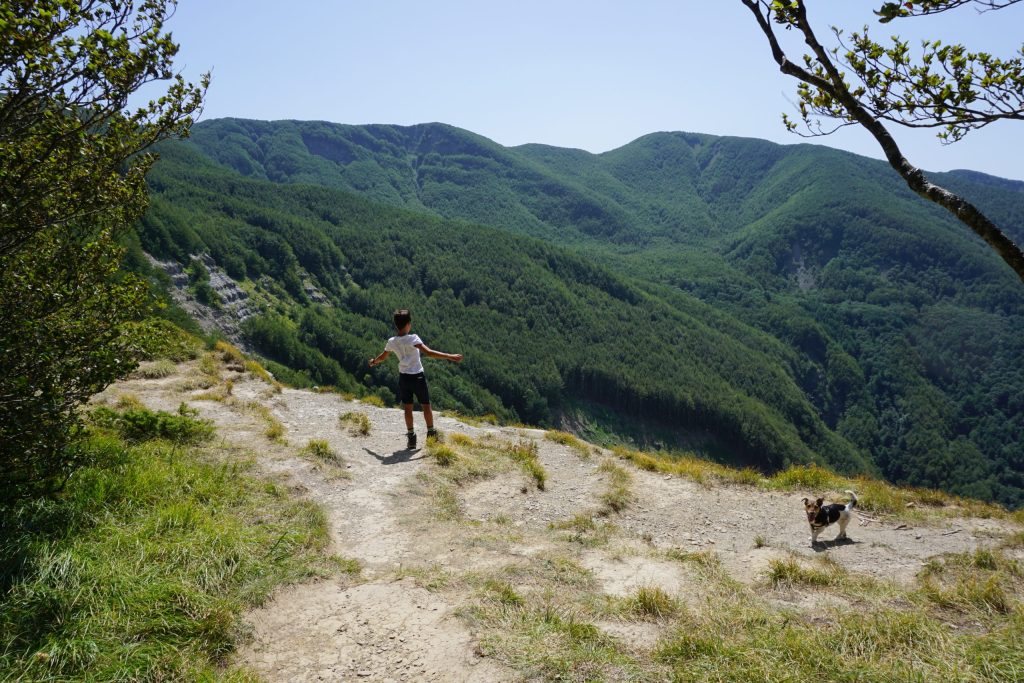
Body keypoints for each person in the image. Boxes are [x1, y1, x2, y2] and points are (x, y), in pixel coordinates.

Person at [369, 309, 462, 449]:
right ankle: (431, 433)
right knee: (426, 406)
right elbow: (429, 353)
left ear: (396, 325)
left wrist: (374, 361)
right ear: (408, 325)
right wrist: (450, 356)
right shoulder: (413, 338)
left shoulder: (392, 341)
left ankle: (411, 438)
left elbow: (383, 356)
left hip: (404, 378)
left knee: (407, 408)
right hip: (418, 377)